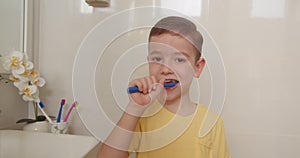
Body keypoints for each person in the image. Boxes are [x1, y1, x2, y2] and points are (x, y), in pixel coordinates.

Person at [97, 16, 230, 158]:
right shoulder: (142, 116)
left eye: (179, 59)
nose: (166, 69)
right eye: (157, 59)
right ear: (148, 62)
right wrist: (134, 109)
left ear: (197, 67)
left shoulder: (211, 122)